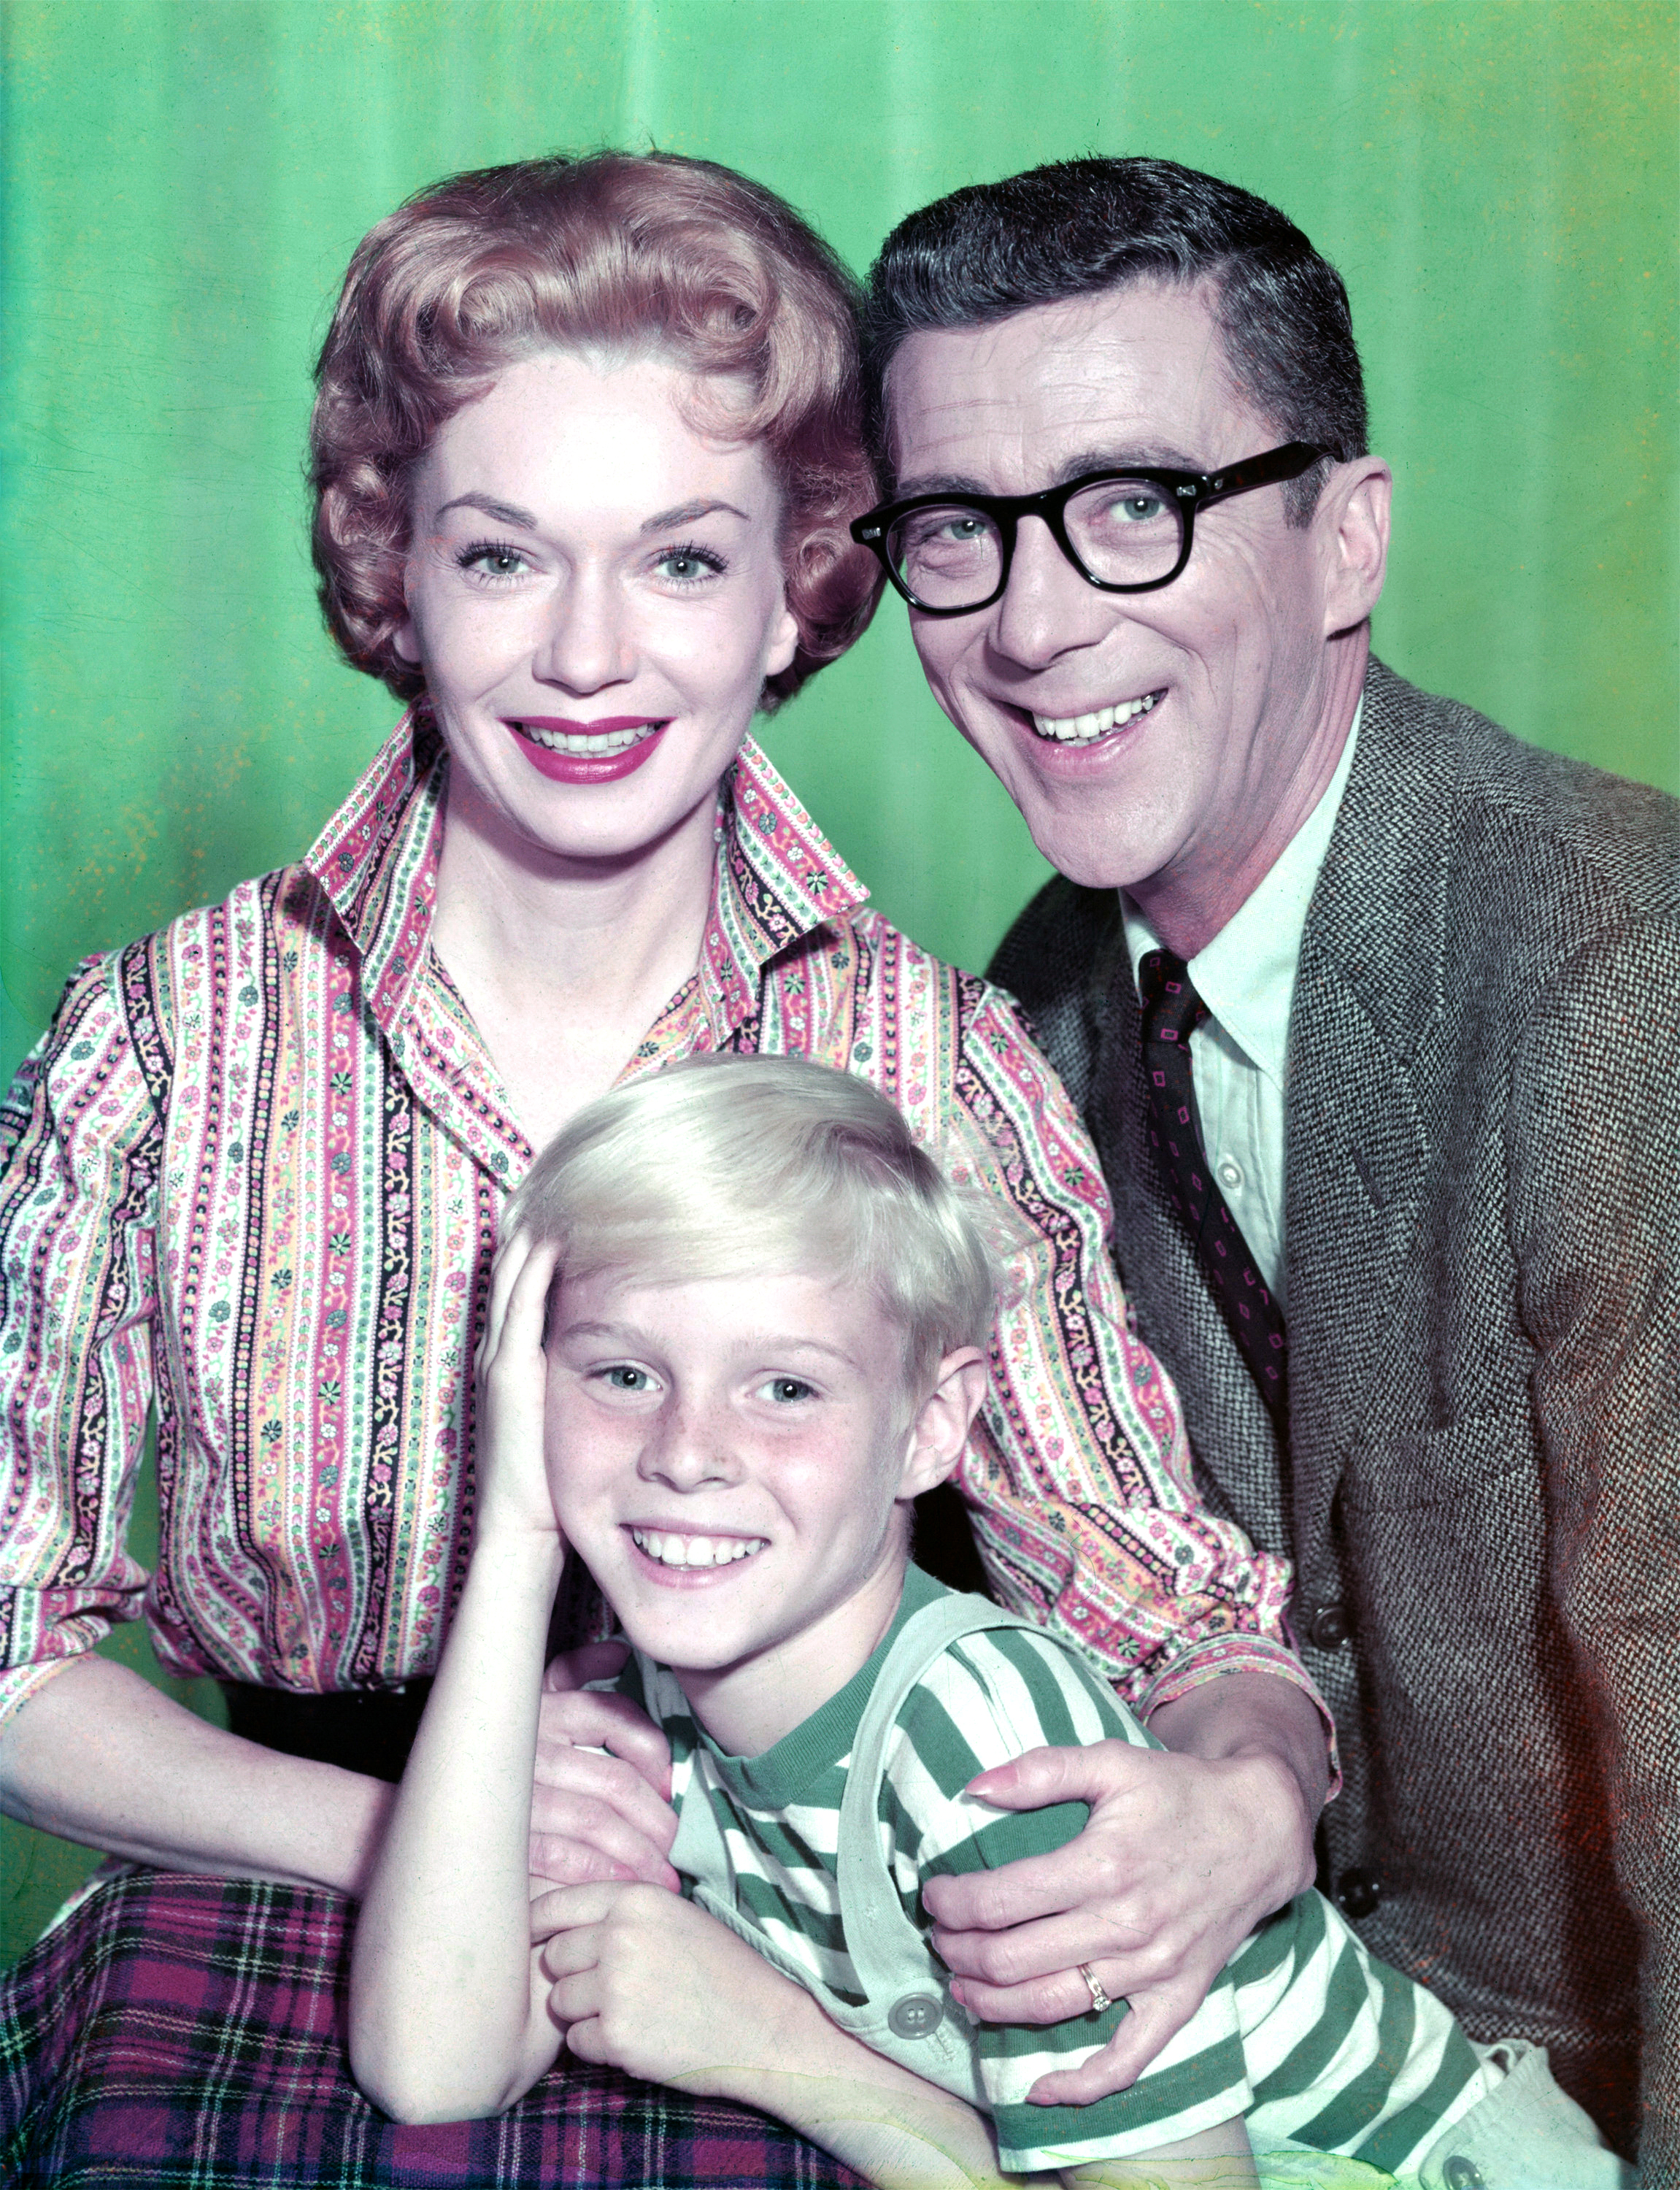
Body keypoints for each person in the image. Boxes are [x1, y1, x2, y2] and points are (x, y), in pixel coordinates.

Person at [0, 152, 1326, 2182]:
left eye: (683, 562)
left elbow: (1164, 1614)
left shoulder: (926, 1059)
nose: (590, 658)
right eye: (506, 557)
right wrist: (395, 1832)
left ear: (797, 578)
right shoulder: (173, 1037)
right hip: (274, 1901)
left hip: (805, 1948)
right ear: (395, 570)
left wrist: (1242, 1794)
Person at [843, 155, 1679, 2175]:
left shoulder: (1621, 983)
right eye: (955, 531)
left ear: (1341, 541)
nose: (1034, 623)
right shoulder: (1013, 1027)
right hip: (1265, 2065)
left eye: (1133, 507)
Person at [350, 1050, 1628, 2190]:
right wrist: (515, 1537)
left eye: (784, 1387)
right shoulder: (635, 1694)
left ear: (929, 1427)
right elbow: (433, 2067)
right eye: (622, 1375)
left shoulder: (983, 1742)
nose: (687, 1452)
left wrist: (772, 2047)